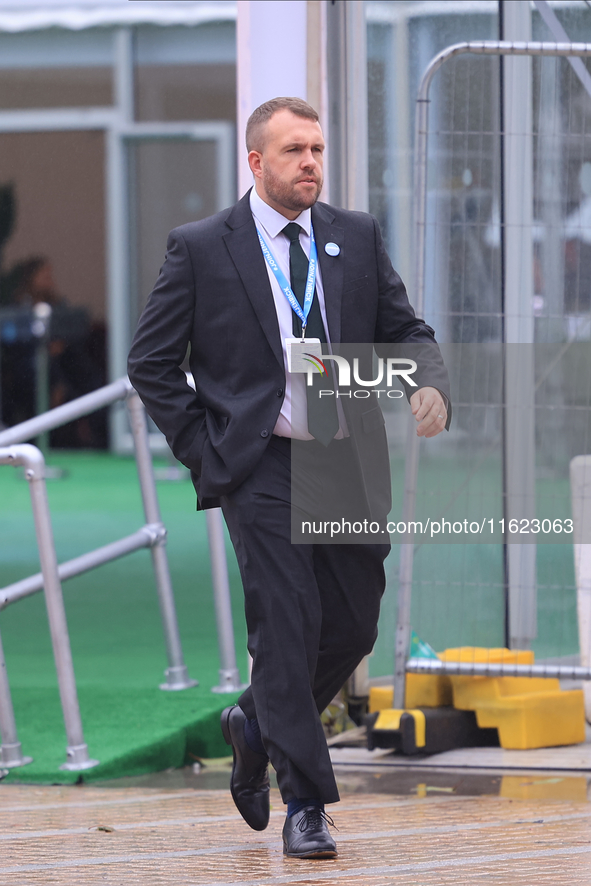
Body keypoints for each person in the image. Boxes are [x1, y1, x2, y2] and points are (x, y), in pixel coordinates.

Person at [127, 97, 450, 859]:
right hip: (261, 461)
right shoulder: (203, 247)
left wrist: (424, 382)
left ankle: (254, 722)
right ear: (255, 162)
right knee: (287, 621)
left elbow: (403, 328)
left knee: (350, 623)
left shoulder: (354, 236)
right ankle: (305, 803)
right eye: (293, 150)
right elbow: (151, 364)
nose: (310, 162)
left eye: (317, 148)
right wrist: (210, 455)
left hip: (342, 455)